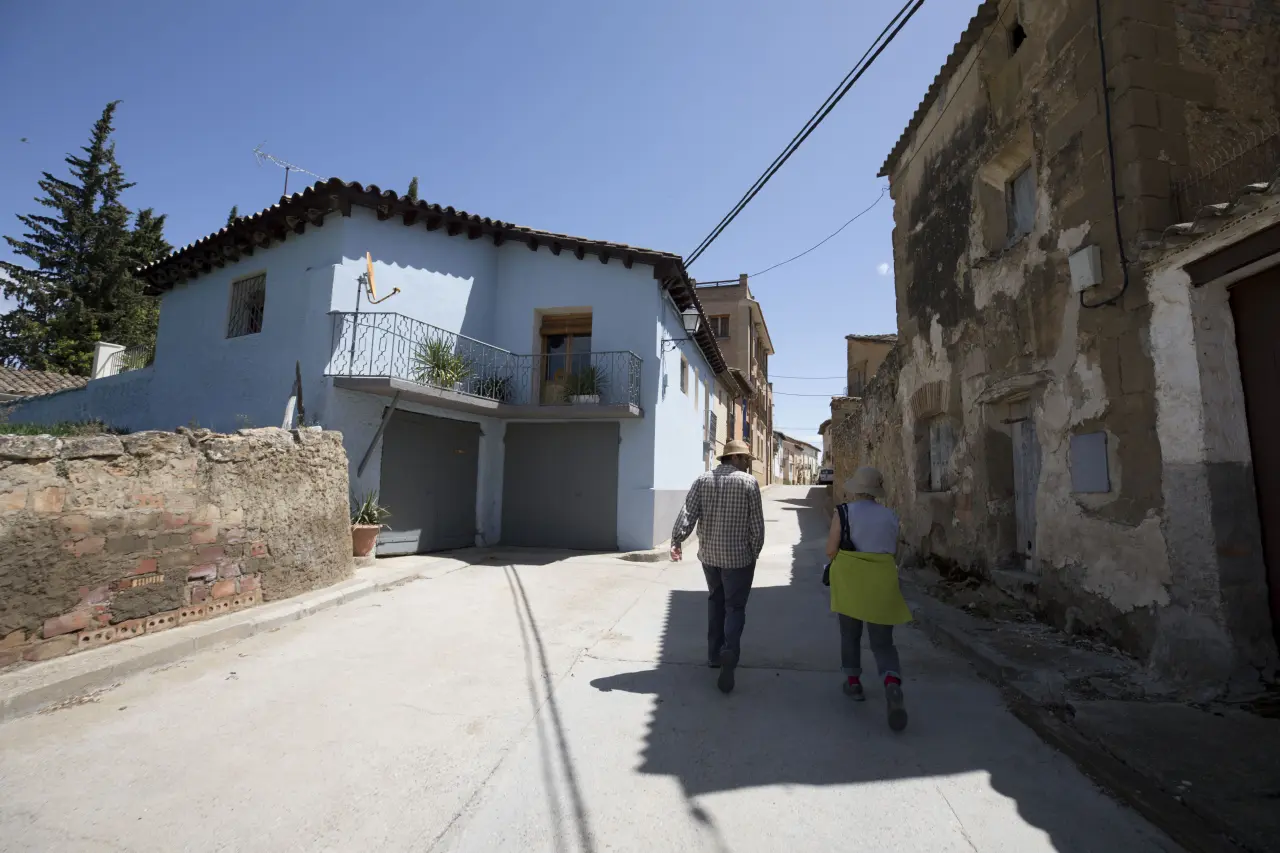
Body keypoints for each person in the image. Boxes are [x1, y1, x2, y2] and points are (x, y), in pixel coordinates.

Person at [670, 439, 765, 694]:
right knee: (735, 607)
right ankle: (729, 652)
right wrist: (754, 552)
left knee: (716, 601)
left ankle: (714, 655)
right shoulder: (749, 483)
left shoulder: (702, 480)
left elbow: (688, 512)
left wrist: (677, 539)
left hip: (710, 557)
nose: (748, 464)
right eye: (745, 459)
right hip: (739, 560)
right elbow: (756, 525)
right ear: (734, 458)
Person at [824, 466, 913, 731]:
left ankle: (853, 683)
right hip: (882, 581)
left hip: (850, 581)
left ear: (857, 489)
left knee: (850, 635)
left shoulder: (843, 512)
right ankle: (891, 683)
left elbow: (831, 550)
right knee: (883, 643)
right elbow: (893, 550)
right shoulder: (890, 515)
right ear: (876, 490)